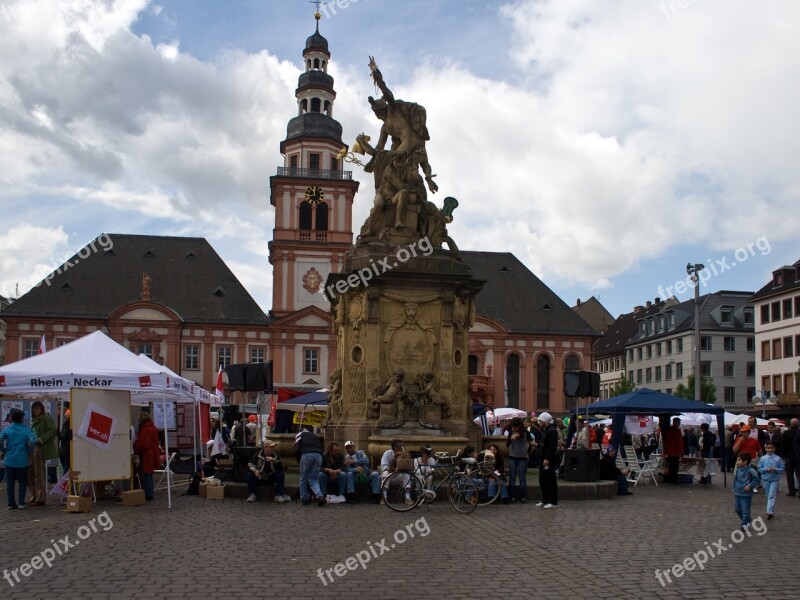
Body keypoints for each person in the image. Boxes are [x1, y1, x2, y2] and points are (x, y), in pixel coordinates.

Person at [0, 409, 37, 509]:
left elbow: (0, 440)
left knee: (10, 482)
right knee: (22, 481)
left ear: (12, 418)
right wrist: (29, 450)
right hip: (23, 460)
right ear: (21, 418)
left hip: (9, 460)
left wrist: (4, 450)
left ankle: (10, 503)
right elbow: (32, 442)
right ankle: (21, 502)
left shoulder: (7, 429)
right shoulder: (26, 430)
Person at [28, 401, 57, 506]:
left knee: (38, 473)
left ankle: (40, 498)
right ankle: (35, 495)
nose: (35, 410)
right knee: (30, 472)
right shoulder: (34, 420)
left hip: (40, 447)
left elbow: (53, 430)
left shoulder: (45, 418)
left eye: (37, 408)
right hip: (32, 448)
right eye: (34, 408)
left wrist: (42, 439)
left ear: (41, 409)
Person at [246, 439, 289, 504]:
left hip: (270, 477)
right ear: (265, 447)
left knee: (280, 474)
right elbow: (250, 465)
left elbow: (281, 468)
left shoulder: (275, 455)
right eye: (271, 447)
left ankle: (279, 495)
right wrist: (255, 471)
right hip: (260, 477)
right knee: (249, 475)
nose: (273, 449)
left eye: (273, 447)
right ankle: (252, 494)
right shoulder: (257, 455)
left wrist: (275, 461)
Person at [294, 425, 325, 506]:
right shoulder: (314, 435)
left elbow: (297, 449)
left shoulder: (300, 434)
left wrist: (298, 461)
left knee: (303, 477)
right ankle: (320, 495)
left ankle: (304, 498)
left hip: (307, 455)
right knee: (313, 478)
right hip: (318, 456)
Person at [132, 411, 160, 501]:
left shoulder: (145, 429)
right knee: (149, 473)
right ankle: (150, 491)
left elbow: (143, 443)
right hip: (152, 453)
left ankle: (148, 493)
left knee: (145, 474)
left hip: (146, 454)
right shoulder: (153, 428)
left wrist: (135, 443)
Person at [506, 417, 533, 503]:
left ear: (519, 426)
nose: (513, 428)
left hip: (522, 458)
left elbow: (531, 443)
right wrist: (511, 439)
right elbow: (507, 444)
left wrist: (527, 453)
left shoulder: (526, 433)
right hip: (512, 457)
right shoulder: (511, 432)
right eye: (512, 427)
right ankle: (512, 496)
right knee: (512, 478)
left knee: (522, 478)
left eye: (514, 427)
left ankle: (523, 497)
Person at [536, 412, 559, 508]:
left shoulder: (552, 431)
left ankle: (552, 501)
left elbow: (552, 447)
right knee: (543, 480)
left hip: (547, 459)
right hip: (543, 458)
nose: (540, 422)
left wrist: (547, 458)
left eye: (541, 420)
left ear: (545, 421)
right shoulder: (547, 430)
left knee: (550, 479)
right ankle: (545, 499)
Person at [757, 442, 784, 519]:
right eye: (768, 448)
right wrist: (766, 469)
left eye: (772, 448)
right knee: (767, 495)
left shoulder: (778, 459)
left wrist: (775, 469)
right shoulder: (762, 459)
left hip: (775, 479)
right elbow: (760, 469)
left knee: (771, 495)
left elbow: (782, 468)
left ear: (774, 448)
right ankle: (771, 510)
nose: (770, 449)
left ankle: (769, 512)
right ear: (765, 449)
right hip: (765, 479)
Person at [732, 453, 759, 529]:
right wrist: (734, 489)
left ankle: (744, 525)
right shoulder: (737, 470)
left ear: (745, 461)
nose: (737, 462)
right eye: (737, 460)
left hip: (746, 495)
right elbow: (735, 480)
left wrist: (749, 486)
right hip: (738, 493)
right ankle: (747, 520)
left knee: (745, 511)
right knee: (737, 509)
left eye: (739, 460)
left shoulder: (751, 470)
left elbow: (757, 480)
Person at [779, 418, 798, 497]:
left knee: (789, 475)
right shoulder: (799, 432)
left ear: (790, 424)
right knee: (799, 474)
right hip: (798, 456)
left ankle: (792, 491)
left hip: (788, 456)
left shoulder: (786, 433)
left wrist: (782, 455)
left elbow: (783, 445)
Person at [662, 417, 684, 484]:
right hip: (675, 452)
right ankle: (673, 479)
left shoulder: (669, 430)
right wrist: (680, 451)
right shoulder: (677, 430)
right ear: (676, 422)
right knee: (675, 466)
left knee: (670, 466)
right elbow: (679, 442)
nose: (679, 423)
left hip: (669, 451)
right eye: (679, 422)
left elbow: (667, 441)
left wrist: (665, 451)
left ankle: (669, 478)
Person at [58, 408, 72, 475]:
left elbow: (61, 436)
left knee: (66, 470)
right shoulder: (70, 425)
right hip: (67, 451)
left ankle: (66, 484)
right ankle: (67, 485)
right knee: (67, 471)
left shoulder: (65, 424)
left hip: (62, 450)